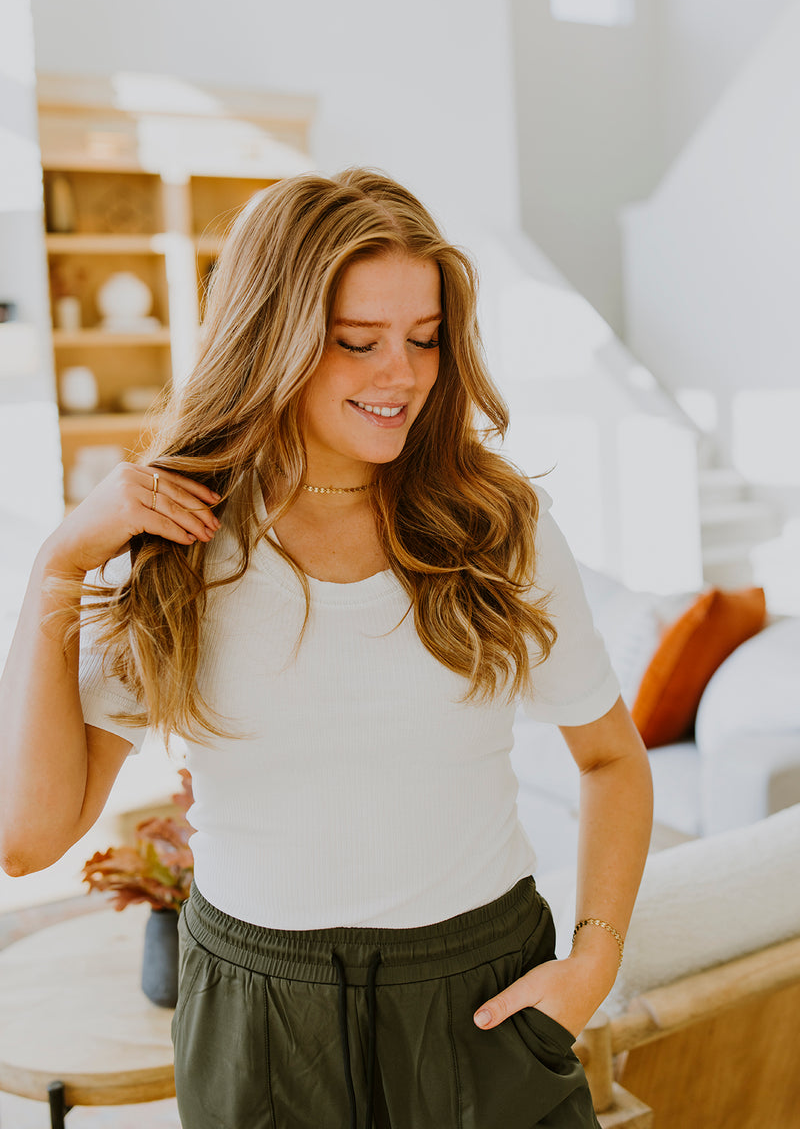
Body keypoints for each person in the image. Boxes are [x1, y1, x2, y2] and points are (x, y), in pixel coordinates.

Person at [0, 167, 653, 1129]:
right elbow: (29, 838)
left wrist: (594, 957)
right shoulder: (181, 543)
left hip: (480, 994)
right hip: (260, 1017)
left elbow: (609, 759)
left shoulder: (496, 523)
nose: (404, 373)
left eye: (424, 339)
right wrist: (57, 566)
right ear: (275, 337)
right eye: (358, 344)